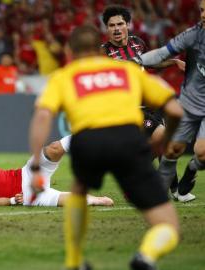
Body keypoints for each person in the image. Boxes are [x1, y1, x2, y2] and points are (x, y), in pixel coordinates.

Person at [29, 25, 182, 270]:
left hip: (87, 141)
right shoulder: (126, 71)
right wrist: (163, 141)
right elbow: (175, 110)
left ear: (69, 51)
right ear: (99, 50)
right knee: (168, 226)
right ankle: (146, 256)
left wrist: (37, 164)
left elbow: (42, 117)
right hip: (129, 139)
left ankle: (75, 260)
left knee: (79, 190)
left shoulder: (64, 76)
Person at [138, 0, 205, 202]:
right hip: (190, 103)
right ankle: (160, 196)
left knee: (202, 154)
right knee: (173, 149)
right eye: (202, 10)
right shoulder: (193, 34)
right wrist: (137, 61)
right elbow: (162, 53)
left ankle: (192, 169)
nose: (203, 15)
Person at [101, 5, 184, 154]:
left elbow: (148, 62)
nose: (116, 29)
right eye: (111, 25)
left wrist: (174, 62)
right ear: (107, 29)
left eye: (120, 24)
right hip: (129, 108)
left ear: (127, 24)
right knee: (164, 138)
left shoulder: (137, 43)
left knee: (161, 149)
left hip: (149, 104)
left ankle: (150, 173)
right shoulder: (102, 52)